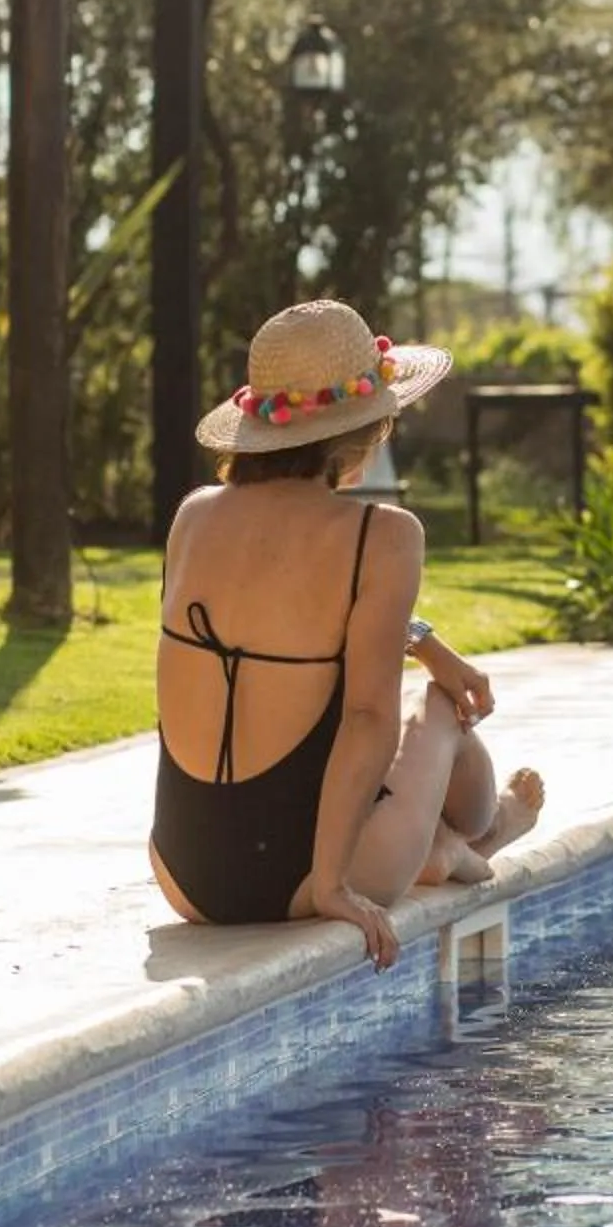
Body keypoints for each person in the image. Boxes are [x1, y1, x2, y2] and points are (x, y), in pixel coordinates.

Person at [151, 300, 543, 967]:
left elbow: (282, 609)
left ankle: (441, 847)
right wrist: (333, 887)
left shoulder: (191, 517)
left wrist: (426, 643)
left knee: (340, 713)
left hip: (185, 876)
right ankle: (485, 831)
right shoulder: (383, 536)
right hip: (306, 880)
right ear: (361, 429)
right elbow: (366, 718)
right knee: (442, 709)